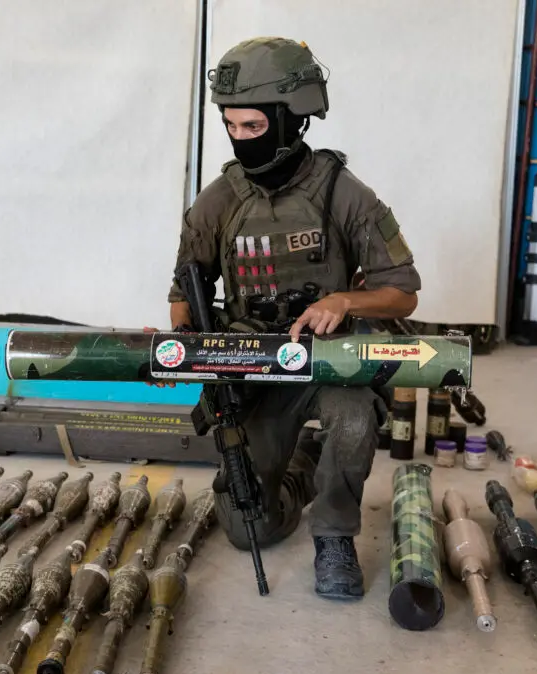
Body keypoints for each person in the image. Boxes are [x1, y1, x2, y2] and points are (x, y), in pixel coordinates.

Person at [164, 37, 422, 600]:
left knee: (354, 420)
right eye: (231, 126)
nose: (239, 138)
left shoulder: (345, 196)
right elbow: (185, 288)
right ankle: (304, 466)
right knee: (247, 527)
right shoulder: (217, 204)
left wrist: (345, 302)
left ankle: (334, 535)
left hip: (330, 365)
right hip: (255, 373)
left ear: (291, 119)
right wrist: (189, 343)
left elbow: (403, 292)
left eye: (253, 126)